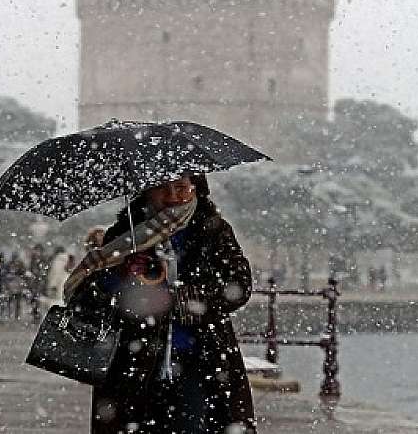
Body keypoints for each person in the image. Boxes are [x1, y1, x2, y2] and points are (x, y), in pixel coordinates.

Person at [64, 174, 256, 433]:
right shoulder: (126, 232)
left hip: (199, 359)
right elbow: (90, 294)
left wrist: (182, 298)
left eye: (181, 188)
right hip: (134, 363)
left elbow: (238, 286)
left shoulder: (212, 230)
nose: (173, 196)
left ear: (195, 188)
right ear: (146, 191)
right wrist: (123, 276)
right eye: (162, 189)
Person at [27, 244, 50, 321]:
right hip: (34, 283)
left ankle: (38, 314)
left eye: (39, 251)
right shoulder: (33, 260)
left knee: (40, 299)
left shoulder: (44, 260)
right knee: (34, 299)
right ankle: (35, 314)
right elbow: (30, 271)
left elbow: (46, 271)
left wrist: (42, 275)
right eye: (36, 250)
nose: (37, 252)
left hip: (41, 283)